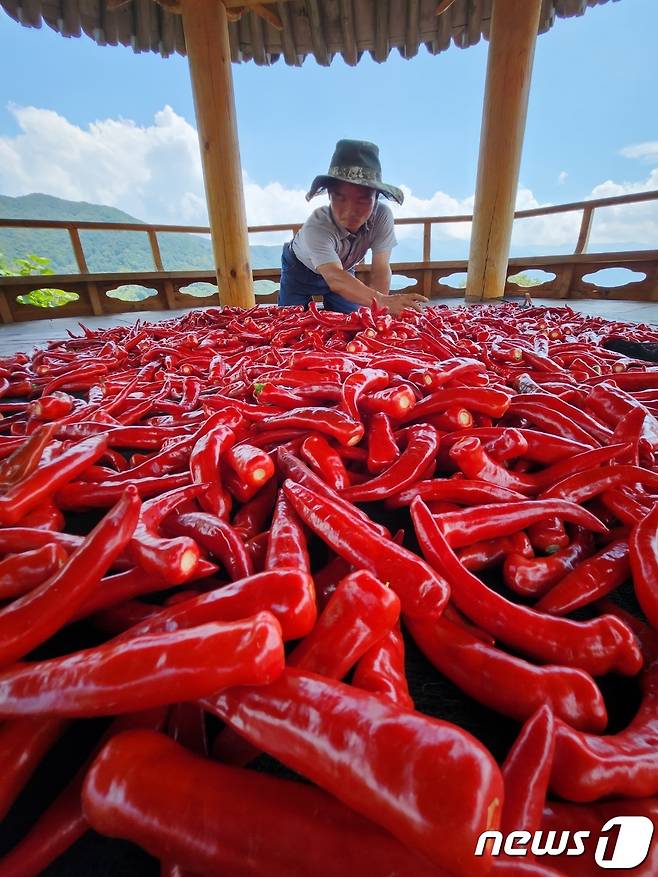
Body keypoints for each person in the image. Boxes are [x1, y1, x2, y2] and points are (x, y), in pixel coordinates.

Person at [277, 139, 428, 316]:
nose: (350, 212)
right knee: (289, 321)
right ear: (329, 196)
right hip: (300, 269)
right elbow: (334, 277)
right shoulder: (317, 225)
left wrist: (380, 310)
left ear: (376, 198)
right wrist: (381, 301)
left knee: (352, 320)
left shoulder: (382, 216)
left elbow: (381, 267)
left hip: (343, 269)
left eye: (363, 199)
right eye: (339, 198)